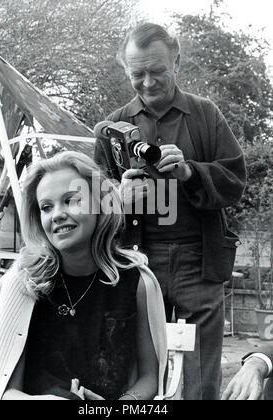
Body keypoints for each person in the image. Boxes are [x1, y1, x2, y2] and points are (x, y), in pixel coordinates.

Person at [94, 22, 247, 400]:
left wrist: (191, 171)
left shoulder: (205, 115)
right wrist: (117, 197)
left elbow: (234, 182)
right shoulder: (112, 129)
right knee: (136, 373)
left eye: (157, 71)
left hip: (198, 259)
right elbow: (91, 201)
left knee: (200, 380)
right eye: (137, 73)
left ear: (176, 60)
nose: (147, 82)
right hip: (135, 263)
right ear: (126, 70)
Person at [0, 151, 167, 400]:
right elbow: (1, 391)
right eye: (46, 207)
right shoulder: (23, 284)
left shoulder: (138, 282)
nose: (57, 214)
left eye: (71, 200)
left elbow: (150, 377)